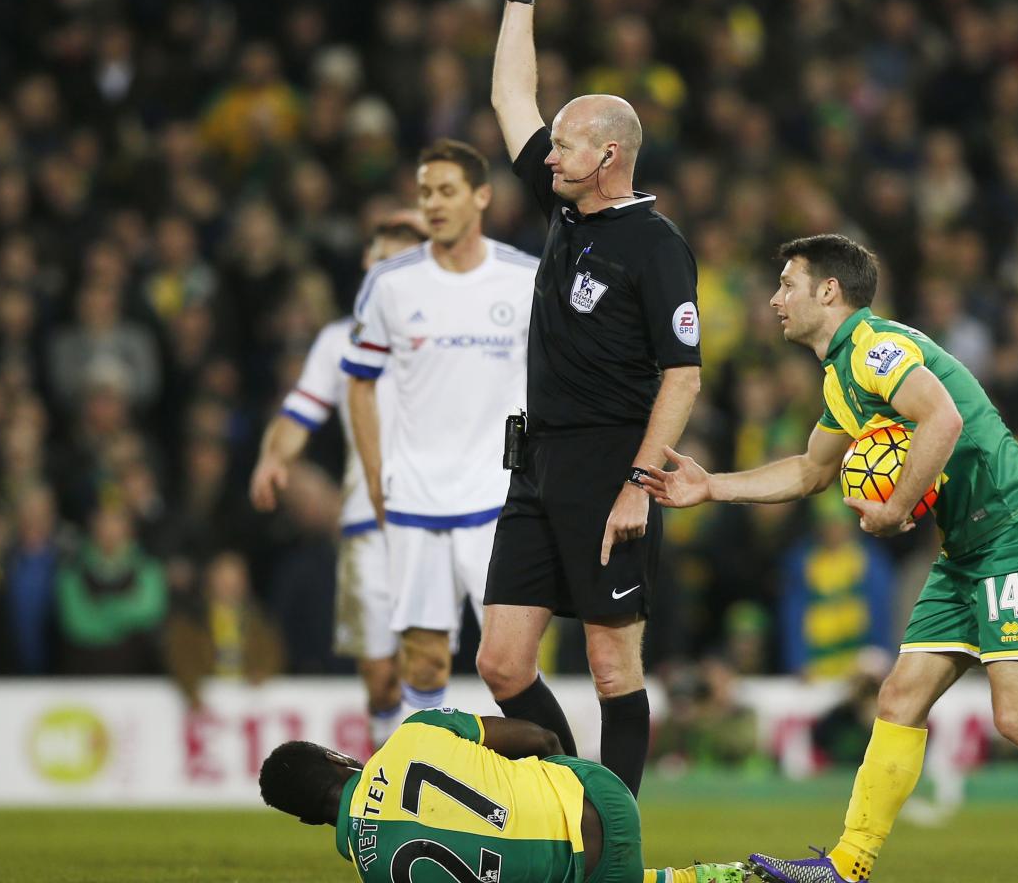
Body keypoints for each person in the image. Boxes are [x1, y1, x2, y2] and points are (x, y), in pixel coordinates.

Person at [644, 234, 1018, 883]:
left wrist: (897, 506)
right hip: (967, 548)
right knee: (899, 697)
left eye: (788, 283)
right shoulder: (841, 377)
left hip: (1016, 531)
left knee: (1017, 713)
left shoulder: (877, 348)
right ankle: (847, 865)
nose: (775, 299)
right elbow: (812, 470)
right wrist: (712, 487)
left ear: (828, 291)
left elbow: (942, 420)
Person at [482, 0, 703, 799]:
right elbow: (511, 96)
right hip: (537, 460)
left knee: (613, 665)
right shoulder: (566, 211)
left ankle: (611, 833)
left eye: (566, 145)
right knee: (502, 662)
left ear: (608, 155)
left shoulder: (656, 246)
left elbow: (683, 374)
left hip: (612, 463)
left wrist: (640, 483)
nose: (549, 154)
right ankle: (571, 795)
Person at [343, 139, 538, 717]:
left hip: (500, 498)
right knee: (424, 660)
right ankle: (422, 769)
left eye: (447, 191)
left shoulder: (524, 278)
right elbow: (360, 382)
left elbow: (557, 379)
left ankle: (545, 766)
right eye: (425, 192)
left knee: (511, 662)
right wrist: (376, 477)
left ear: (481, 197)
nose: (433, 203)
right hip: (415, 498)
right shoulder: (390, 283)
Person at [250, 214, 424, 749]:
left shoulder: (450, 334)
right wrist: (273, 457)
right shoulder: (336, 341)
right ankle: (393, 765)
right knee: (378, 674)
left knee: (430, 661)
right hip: (365, 523)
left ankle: (430, 777)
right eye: (381, 260)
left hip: (438, 518)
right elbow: (299, 411)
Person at [257, 710, 748, 883]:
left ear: (309, 820)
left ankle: (724, 875)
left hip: (597, 875)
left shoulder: (377, 873)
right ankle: (736, 875)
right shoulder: (413, 733)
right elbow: (540, 739)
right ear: (337, 758)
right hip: (606, 795)